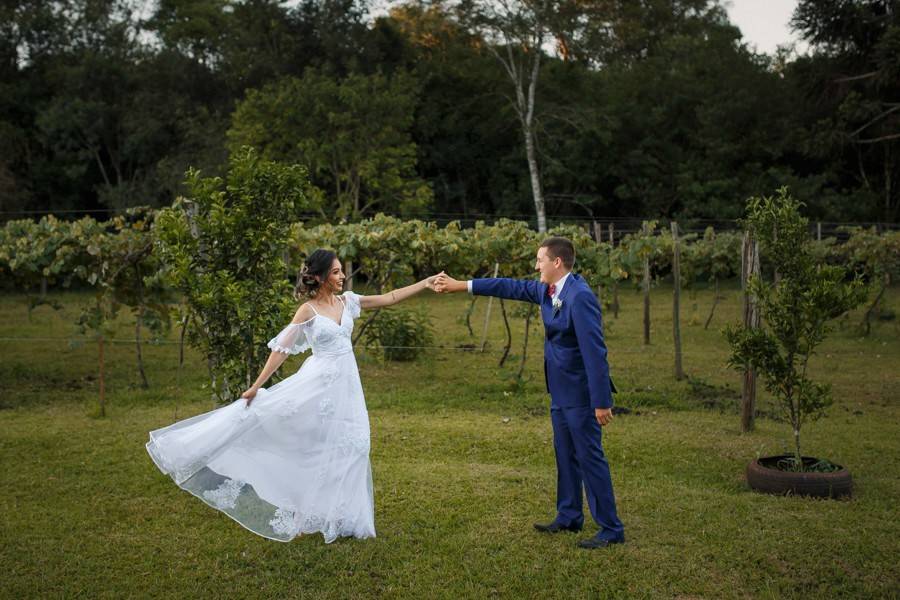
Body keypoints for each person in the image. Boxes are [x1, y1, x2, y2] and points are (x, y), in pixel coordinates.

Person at [146, 249, 439, 543]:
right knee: (310, 446)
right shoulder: (307, 311)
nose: (342, 276)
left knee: (356, 445)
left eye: (341, 271)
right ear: (321, 277)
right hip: (316, 386)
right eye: (336, 272)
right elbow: (281, 350)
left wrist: (424, 283)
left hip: (347, 388)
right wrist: (256, 385)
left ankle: (348, 517)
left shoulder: (348, 302)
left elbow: (388, 298)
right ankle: (304, 513)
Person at [434, 237, 625, 549]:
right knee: (565, 454)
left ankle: (611, 528)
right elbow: (506, 287)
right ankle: (569, 515)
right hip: (559, 391)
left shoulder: (580, 297)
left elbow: (595, 352)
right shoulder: (547, 291)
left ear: (557, 263)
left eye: (540, 260)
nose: (536, 266)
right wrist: (461, 286)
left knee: (590, 458)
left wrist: (602, 401)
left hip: (581, 395)